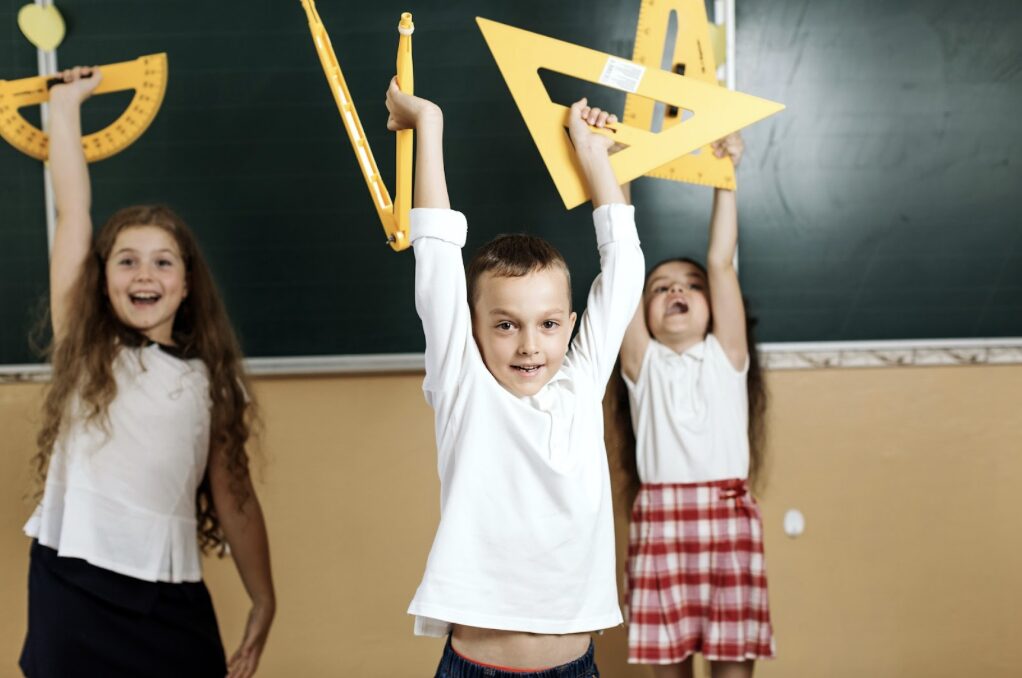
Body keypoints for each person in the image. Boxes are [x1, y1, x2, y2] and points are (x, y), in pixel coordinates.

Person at [21, 66, 275, 678]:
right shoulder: (88, 352)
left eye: (162, 263)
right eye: (127, 261)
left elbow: (235, 495)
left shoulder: (210, 381)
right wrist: (64, 104)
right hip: (70, 580)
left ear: (186, 285)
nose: (144, 275)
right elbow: (73, 212)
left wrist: (264, 598)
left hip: (166, 590)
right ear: (100, 278)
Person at [385, 76, 644, 676]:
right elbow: (437, 258)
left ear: (572, 324)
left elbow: (625, 268)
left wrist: (593, 156)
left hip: (575, 667)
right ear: (471, 328)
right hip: (476, 667)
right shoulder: (463, 388)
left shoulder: (579, 389)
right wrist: (429, 123)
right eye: (506, 326)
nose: (530, 346)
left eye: (549, 324)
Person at [618, 133, 774, 677]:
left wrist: (724, 176)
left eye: (689, 285)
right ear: (643, 311)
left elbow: (720, 259)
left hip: (728, 522)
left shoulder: (725, 355)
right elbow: (621, 262)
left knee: (733, 667)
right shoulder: (643, 363)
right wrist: (619, 173)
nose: (675, 291)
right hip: (661, 524)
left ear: (712, 303)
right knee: (670, 668)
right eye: (659, 289)